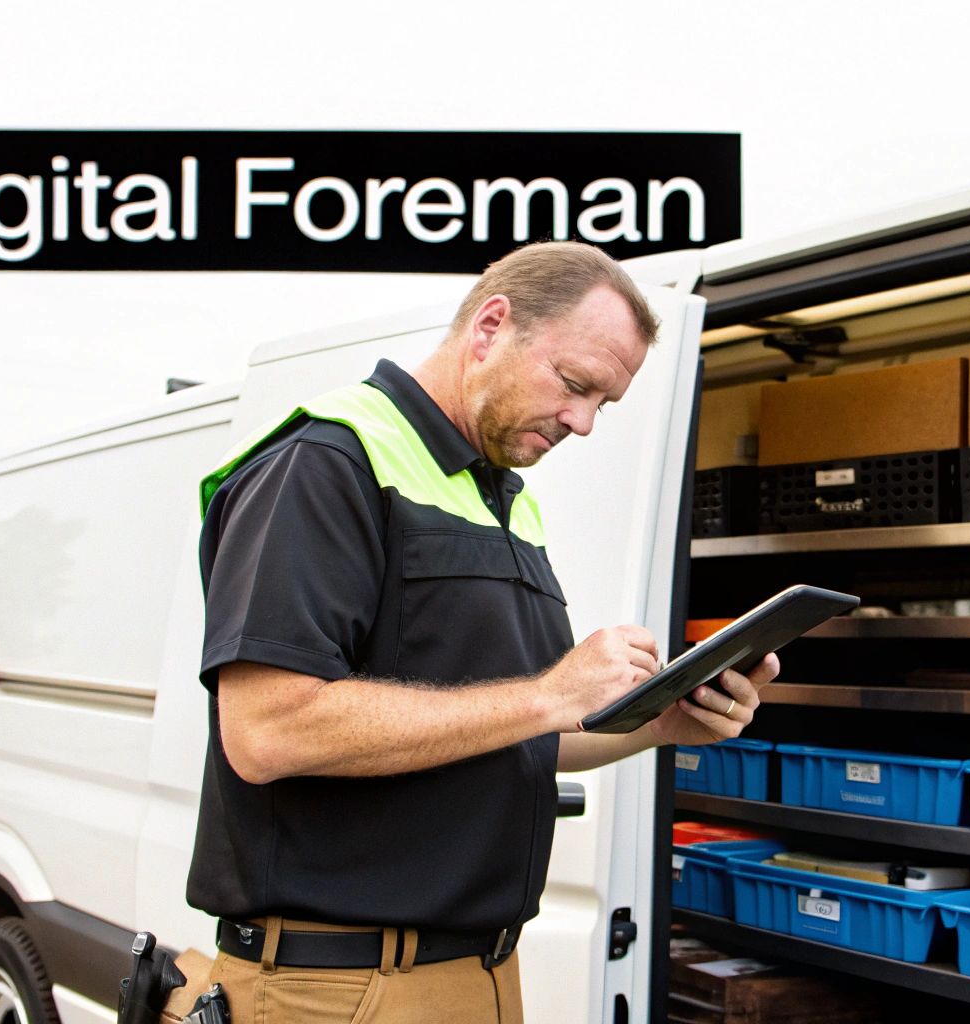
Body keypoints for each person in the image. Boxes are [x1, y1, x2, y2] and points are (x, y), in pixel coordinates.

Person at [186, 241, 780, 1023]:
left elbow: (510, 731)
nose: (584, 422)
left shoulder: (503, 496)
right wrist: (547, 694)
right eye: (575, 385)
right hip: (339, 986)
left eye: (605, 403)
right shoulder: (325, 462)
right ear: (491, 326)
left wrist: (661, 723)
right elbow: (265, 731)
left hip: (481, 972)